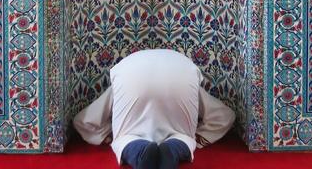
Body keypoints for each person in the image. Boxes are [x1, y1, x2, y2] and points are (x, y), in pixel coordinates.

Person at [73, 49, 235, 169]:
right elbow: (225, 116)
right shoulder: (180, 68)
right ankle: (173, 149)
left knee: (125, 138)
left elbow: (84, 121)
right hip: (182, 74)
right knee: (184, 136)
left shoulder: (125, 74)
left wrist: (111, 136)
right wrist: (197, 138)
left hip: (130, 76)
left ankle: (139, 151)